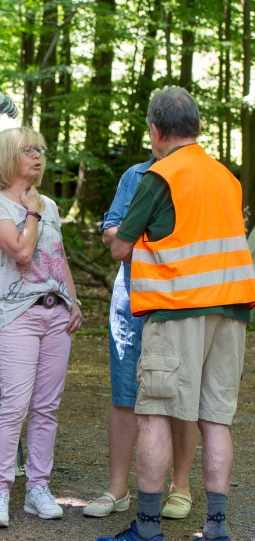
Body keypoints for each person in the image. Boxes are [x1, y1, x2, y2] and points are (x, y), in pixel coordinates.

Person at [95, 86, 255, 541]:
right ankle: (217, 536)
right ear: (198, 127)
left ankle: (146, 532)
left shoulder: (160, 175)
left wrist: (132, 237)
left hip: (177, 307)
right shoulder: (227, 178)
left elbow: (120, 246)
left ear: (155, 130)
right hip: (231, 312)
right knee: (216, 419)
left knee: (156, 413)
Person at [0, 127, 83, 528]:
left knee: (47, 407)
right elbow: (22, 252)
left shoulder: (50, 205)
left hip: (56, 314)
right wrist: (33, 212)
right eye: (28, 150)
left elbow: (59, 258)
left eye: (40, 149)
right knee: (15, 406)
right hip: (18, 315)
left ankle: (38, 488)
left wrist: (73, 300)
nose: (37, 156)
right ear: (7, 157)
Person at [83, 155, 198, 519]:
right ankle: (117, 488)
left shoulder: (198, 174)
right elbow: (111, 233)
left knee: (179, 391)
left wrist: (137, 237)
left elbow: (194, 243)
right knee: (124, 390)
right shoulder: (135, 175)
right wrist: (152, 241)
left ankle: (180, 488)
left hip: (180, 297)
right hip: (131, 295)